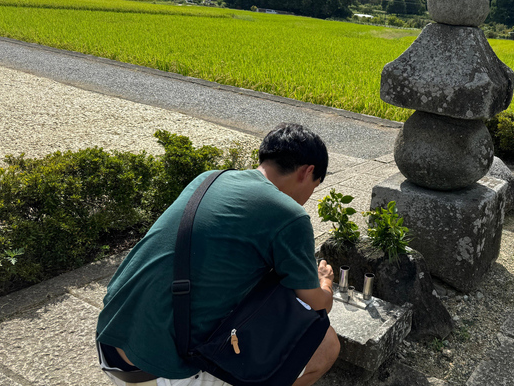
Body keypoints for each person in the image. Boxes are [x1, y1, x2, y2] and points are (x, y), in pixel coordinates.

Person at [96, 123, 340, 386]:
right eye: (314, 187)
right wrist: (325, 284)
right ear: (308, 172)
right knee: (327, 346)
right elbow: (316, 304)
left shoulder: (209, 178)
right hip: (166, 367)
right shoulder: (290, 215)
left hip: (112, 336)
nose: (307, 198)